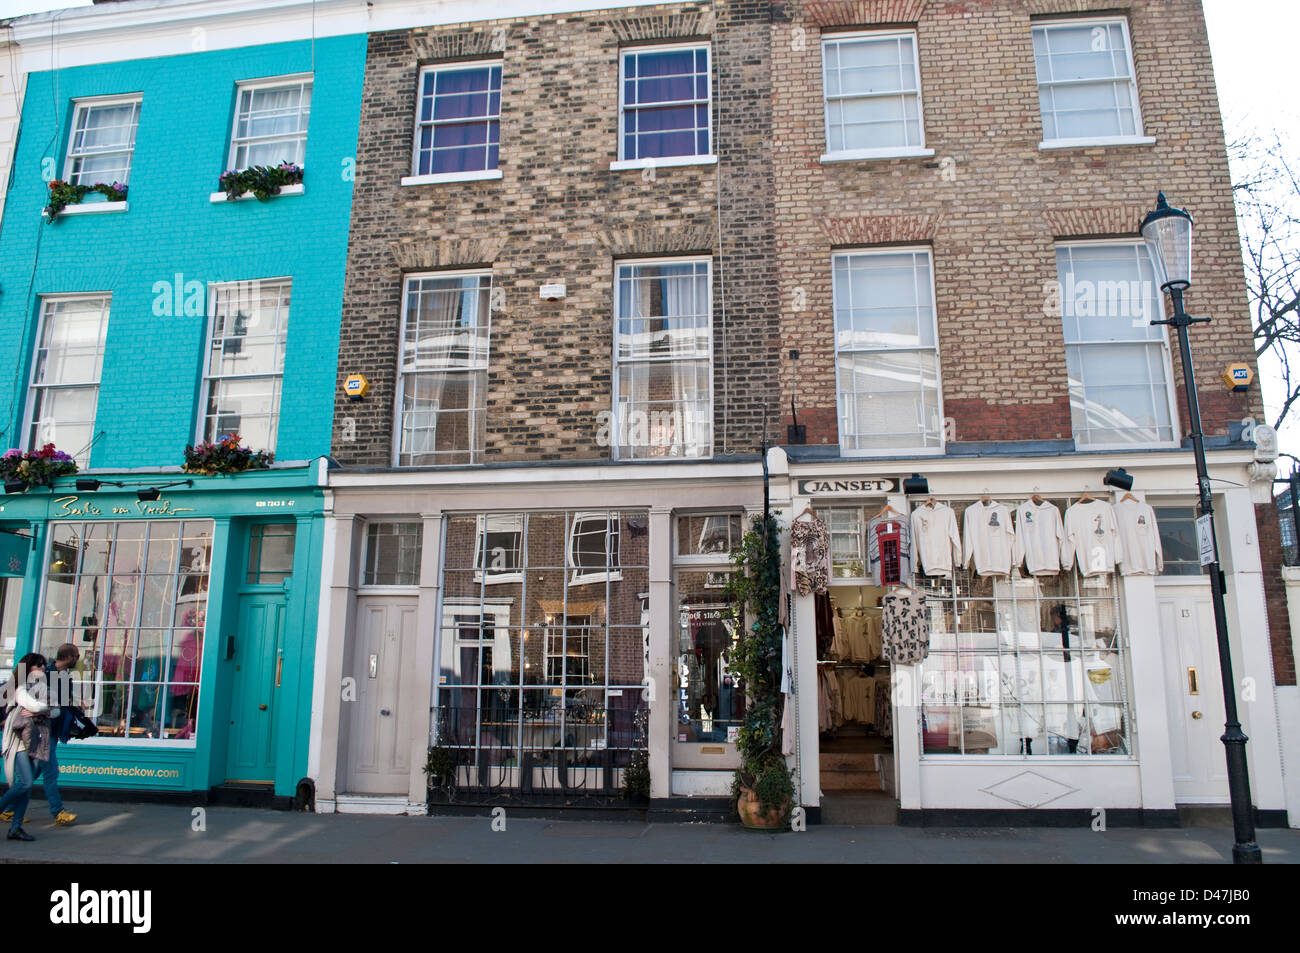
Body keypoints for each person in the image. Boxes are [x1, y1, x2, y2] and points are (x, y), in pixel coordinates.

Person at [0, 653, 50, 841]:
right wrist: (46, 708)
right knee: (26, 782)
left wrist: (46, 708)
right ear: (29, 668)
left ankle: (15, 828)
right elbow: (35, 707)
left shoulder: (43, 688)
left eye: (44, 665)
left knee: (26, 787)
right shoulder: (20, 688)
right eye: (39, 665)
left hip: (35, 742)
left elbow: (56, 711)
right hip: (18, 742)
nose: (43, 668)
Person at [41, 643, 79, 826]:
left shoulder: (65, 677)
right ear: (69, 657)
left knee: (30, 776)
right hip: (43, 731)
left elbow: (65, 702)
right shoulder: (46, 674)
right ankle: (58, 812)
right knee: (51, 773)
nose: (77, 660)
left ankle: (8, 810)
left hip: (54, 731)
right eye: (77, 656)